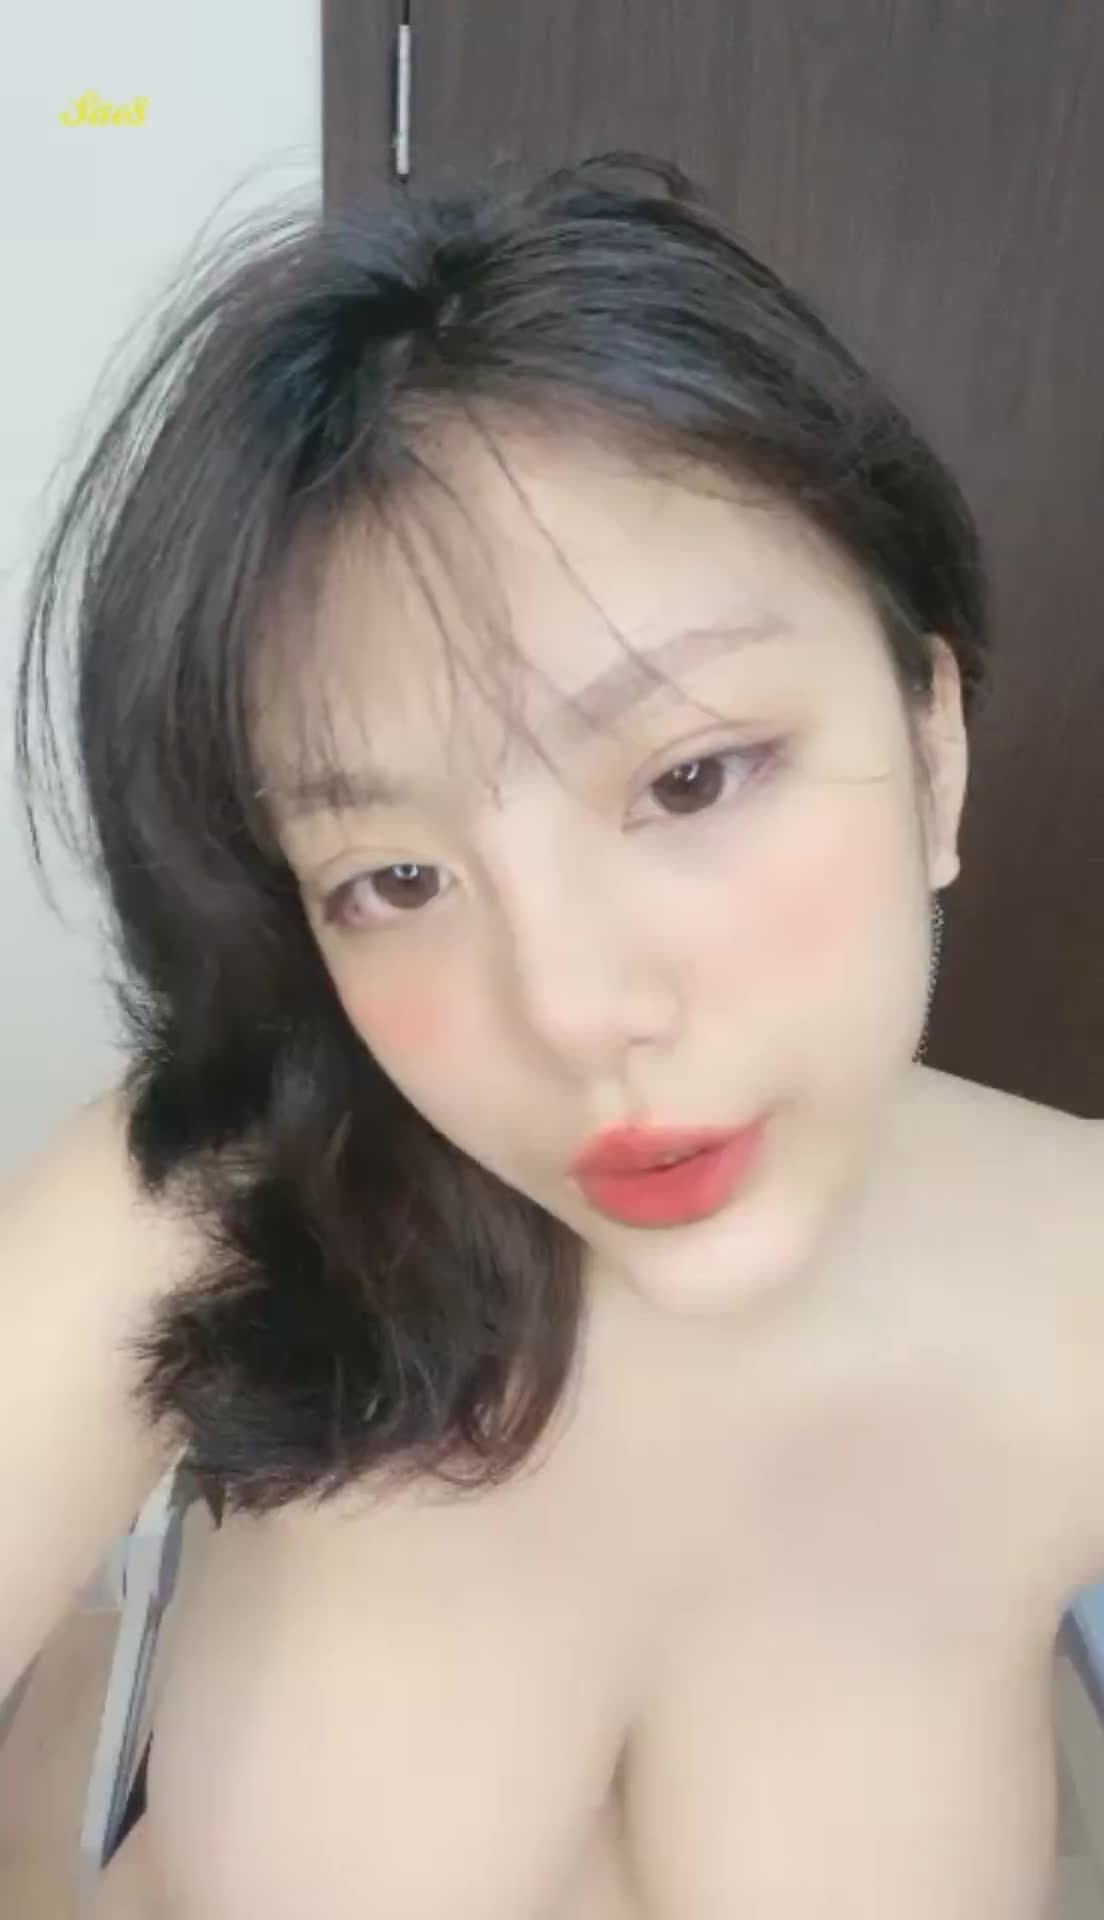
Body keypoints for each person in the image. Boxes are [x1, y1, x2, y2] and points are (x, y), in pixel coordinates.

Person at [4, 151, 1103, 1919]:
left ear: (934, 742)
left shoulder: (1080, 1284)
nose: (574, 1014)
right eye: (395, 878)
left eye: (692, 777)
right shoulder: (213, 1209)